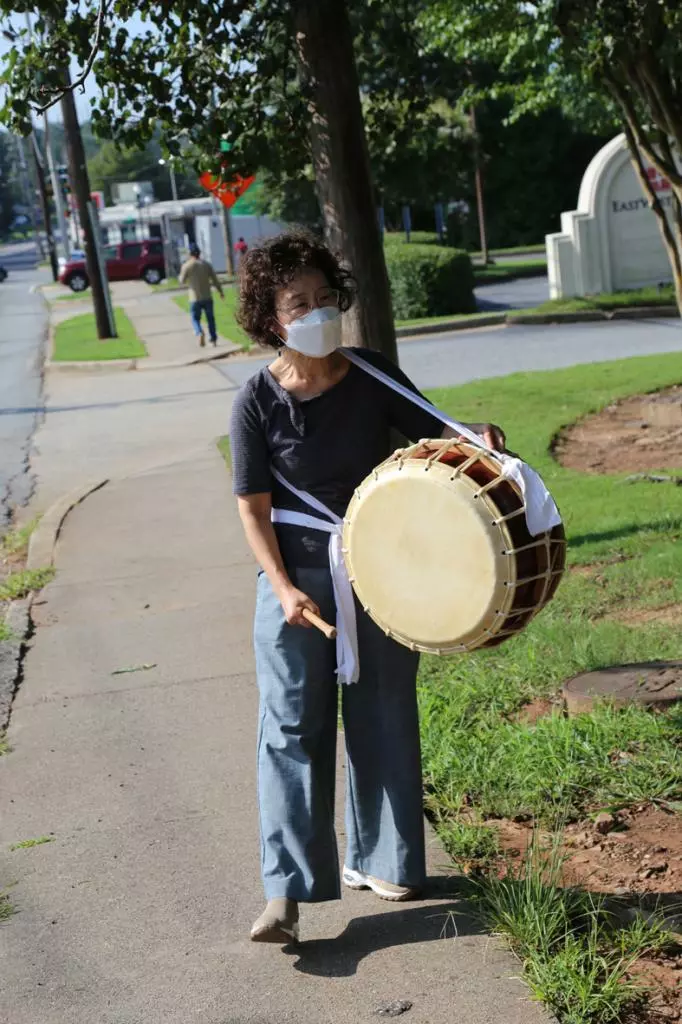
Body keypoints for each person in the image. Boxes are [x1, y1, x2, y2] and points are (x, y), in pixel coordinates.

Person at [229, 230, 505, 945]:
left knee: (384, 707)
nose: (317, 312)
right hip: (295, 583)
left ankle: (389, 862)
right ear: (271, 317)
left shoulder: (371, 375)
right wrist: (283, 589)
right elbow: (252, 511)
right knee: (292, 726)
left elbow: (438, 436)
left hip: (379, 572)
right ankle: (284, 895)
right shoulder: (255, 402)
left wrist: (478, 436)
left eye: (326, 298)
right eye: (299, 302)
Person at [178, 243, 224, 347]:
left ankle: (199, 332)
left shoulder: (187, 265)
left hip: (194, 298)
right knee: (210, 319)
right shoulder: (206, 264)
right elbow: (215, 280)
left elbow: (182, 280)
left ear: (190, 253)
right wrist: (220, 292)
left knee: (195, 318)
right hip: (207, 296)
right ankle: (213, 340)